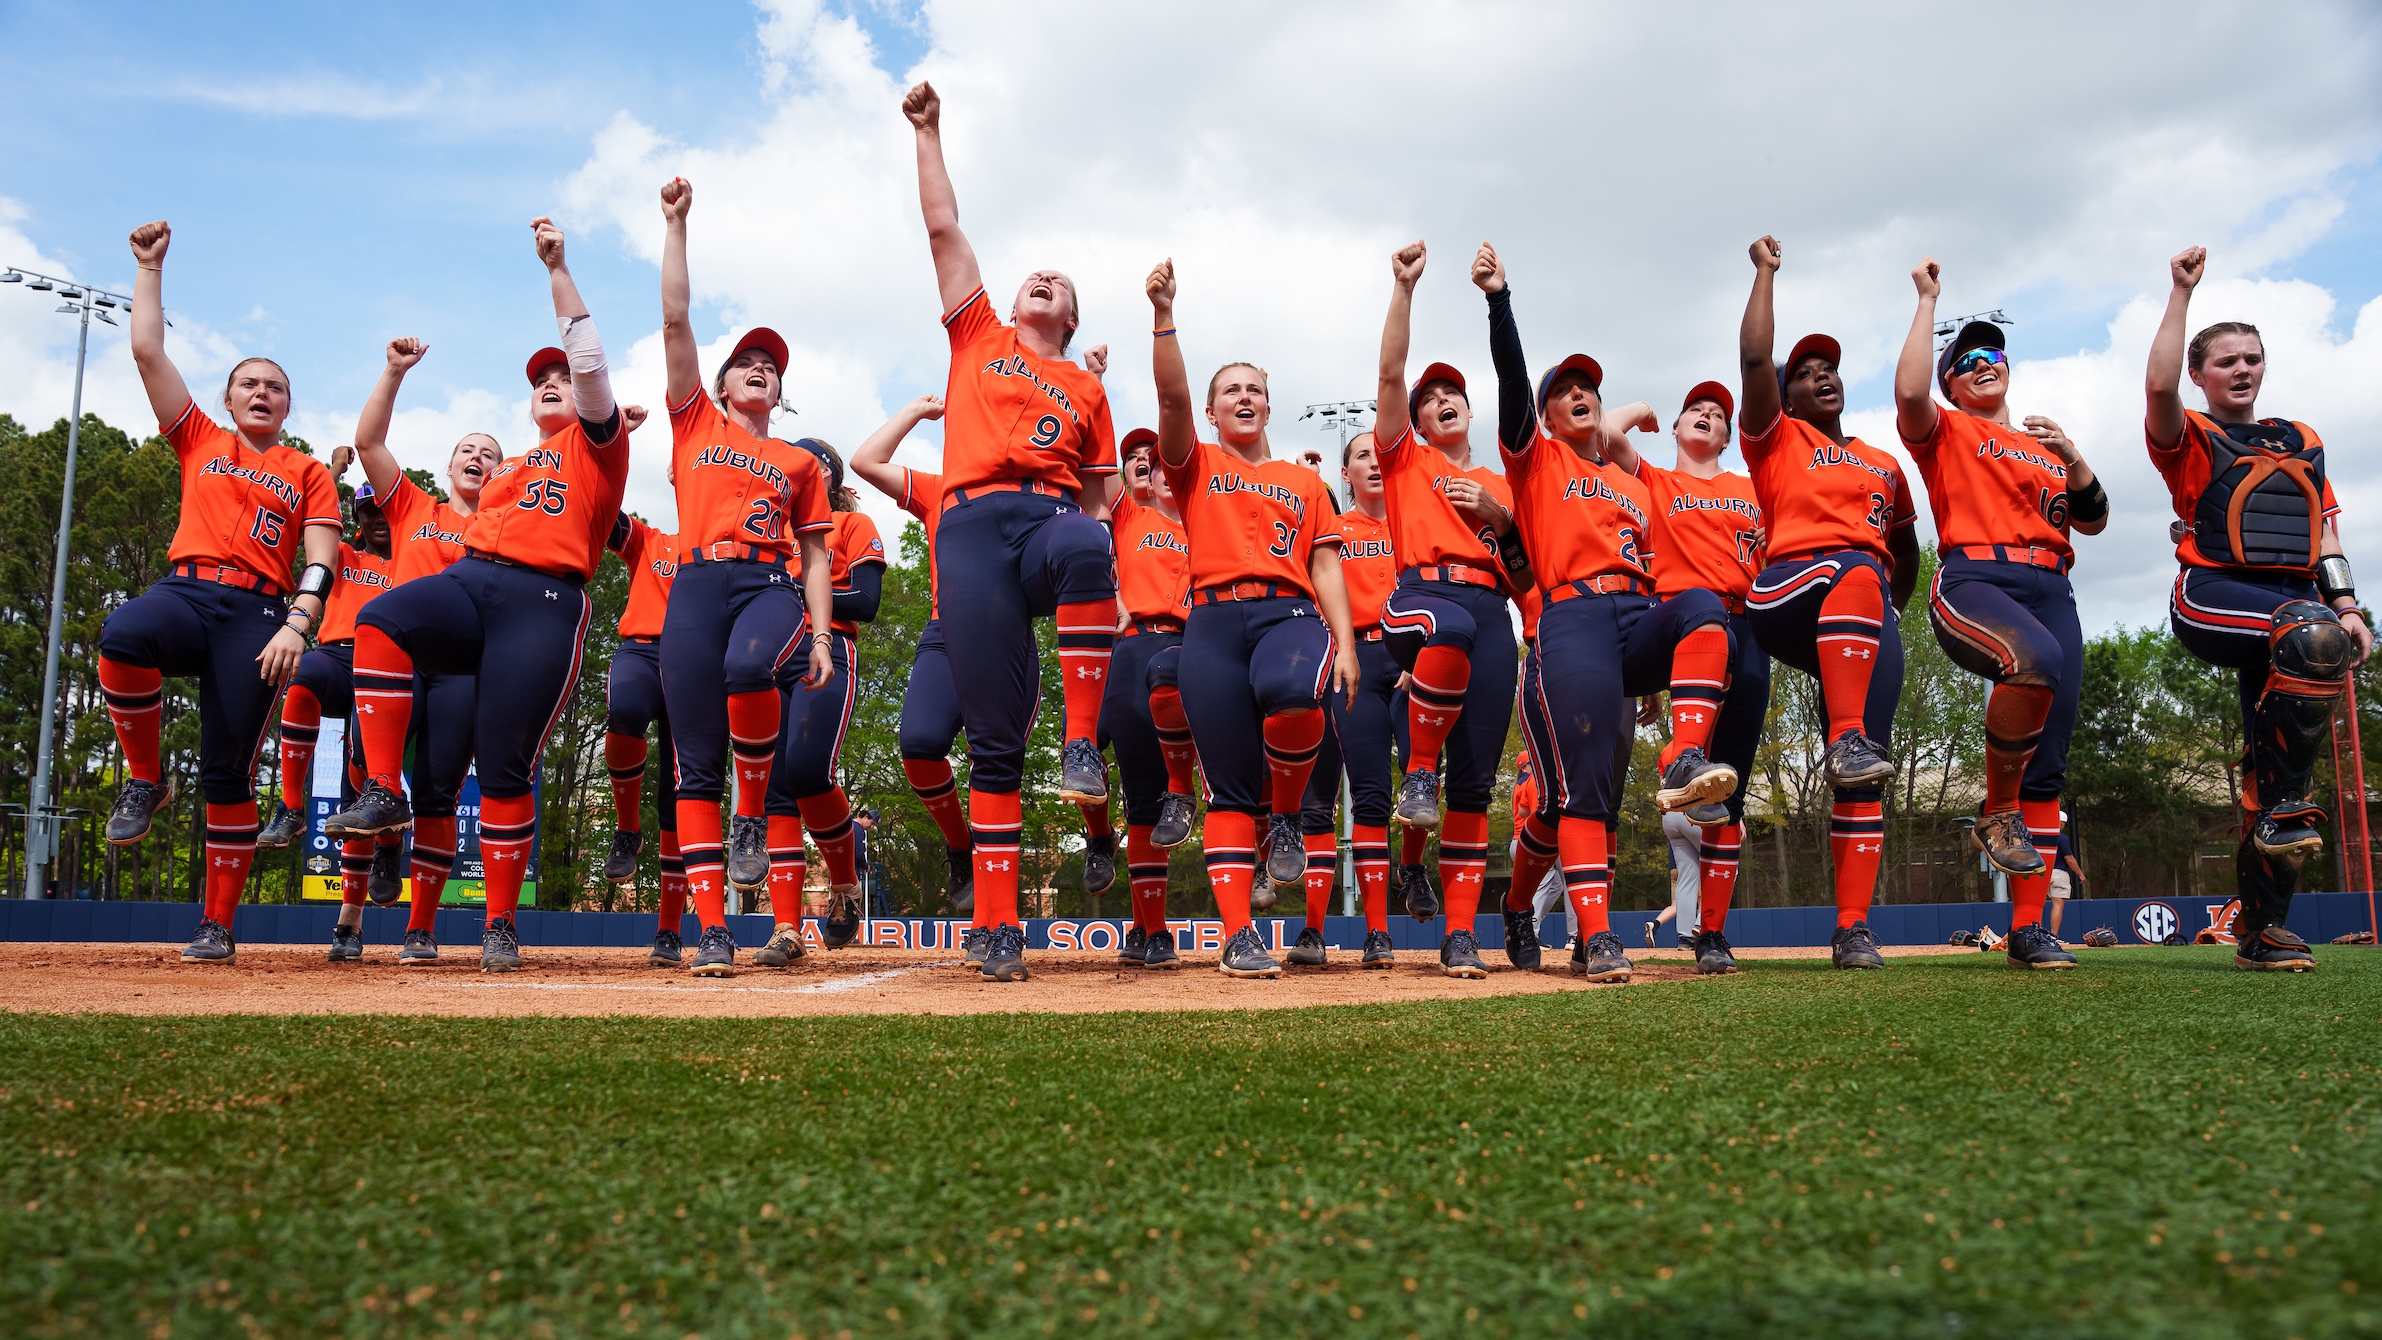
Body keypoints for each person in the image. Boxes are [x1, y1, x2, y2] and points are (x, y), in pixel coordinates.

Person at [323, 216, 635, 976]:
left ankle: (498, 925)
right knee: (383, 619)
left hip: (545, 599)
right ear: (528, 406)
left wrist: (557, 269)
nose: (553, 384)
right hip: (474, 579)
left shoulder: (600, 448)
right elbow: (371, 462)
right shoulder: (503, 471)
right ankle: (385, 791)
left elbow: (589, 360)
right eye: (540, 383)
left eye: (560, 378)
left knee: (502, 767)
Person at [905, 81, 1121, 984]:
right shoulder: (978, 335)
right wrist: (928, 130)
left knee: (1084, 541)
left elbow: (1104, 493)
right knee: (991, 739)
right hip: (965, 532)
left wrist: (1089, 531)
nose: (1044, 278)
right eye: (1039, 273)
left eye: (1061, 284)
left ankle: (1080, 742)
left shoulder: (1086, 389)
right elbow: (946, 231)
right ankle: (996, 928)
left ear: (1070, 320)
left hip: (1044, 522)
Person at [1479, 241, 1736, 984]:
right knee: (1571, 798)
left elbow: (1658, 574)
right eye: (1567, 389)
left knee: (1699, 606)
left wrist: (1657, 674)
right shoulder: (1537, 461)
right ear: (1548, 414)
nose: (1580, 392)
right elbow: (1511, 378)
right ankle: (1582, 932)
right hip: (1570, 624)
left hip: (1633, 618)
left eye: (1591, 385)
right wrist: (1501, 301)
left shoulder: (1628, 484)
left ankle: (1685, 753)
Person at [103, 220, 342, 963]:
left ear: (288, 405)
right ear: (229, 397)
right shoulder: (201, 439)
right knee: (123, 636)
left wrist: (297, 625)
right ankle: (145, 780)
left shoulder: (308, 471)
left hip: (260, 615)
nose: (261, 392)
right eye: (249, 383)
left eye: (275, 386)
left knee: (227, 770)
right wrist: (149, 269)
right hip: (188, 592)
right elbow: (147, 351)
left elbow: (321, 557)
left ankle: (217, 925)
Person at [2147, 245, 2371, 972]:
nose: (2242, 369)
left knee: (2278, 778)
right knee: (2310, 638)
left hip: (2295, 604)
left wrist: (2348, 604)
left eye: (2253, 358)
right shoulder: (2190, 436)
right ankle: (2276, 817)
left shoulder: (2302, 438)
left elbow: (2324, 527)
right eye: (2226, 361)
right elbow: (2154, 390)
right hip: (2214, 595)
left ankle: (2264, 931)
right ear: (2201, 374)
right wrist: (2180, 294)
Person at [1146, 260, 1359, 978]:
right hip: (1209, 622)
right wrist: (1164, 314)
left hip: (1289, 612)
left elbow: (1328, 564)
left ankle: (1292, 817)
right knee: (1230, 788)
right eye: (1231, 389)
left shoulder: (1304, 482)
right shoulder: (1195, 463)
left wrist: (1349, 645)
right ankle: (1240, 935)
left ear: (1269, 407)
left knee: (1296, 696)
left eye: (1256, 390)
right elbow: (1169, 396)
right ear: (1212, 412)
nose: (1245, 396)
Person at [1895, 259, 2105, 971]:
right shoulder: (1947, 429)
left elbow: (2097, 518)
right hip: (1976, 577)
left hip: (2055, 589)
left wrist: (2073, 460)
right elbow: (1907, 391)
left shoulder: (2045, 449)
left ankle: (2027, 931)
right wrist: (1928, 302)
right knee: (2033, 662)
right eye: (1968, 360)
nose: (1985, 364)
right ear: (1952, 382)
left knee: (2050, 769)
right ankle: (1996, 808)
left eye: (1995, 355)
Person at [655, 177, 836, 977]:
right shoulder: (694, 419)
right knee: (694, 764)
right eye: (748, 363)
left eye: (772, 367)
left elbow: (819, 555)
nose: (760, 369)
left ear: (778, 392)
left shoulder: (798, 462)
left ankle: (754, 812)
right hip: (694, 587)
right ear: (722, 385)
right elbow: (674, 319)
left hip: (767, 586)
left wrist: (824, 636)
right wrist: (676, 225)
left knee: (746, 665)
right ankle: (715, 933)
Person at [1738, 236, 1924, 970]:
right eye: (1806, 373)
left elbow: (1905, 552)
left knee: (1866, 771)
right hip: (1787, 589)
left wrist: (1893, 610)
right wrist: (1765, 274)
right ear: (1784, 398)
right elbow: (1755, 359)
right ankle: (1845, 736)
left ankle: (1852, 930)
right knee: (1853, 570)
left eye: (1831, 370)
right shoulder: (1775, 440)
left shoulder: (1883, 461)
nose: (1823, 378)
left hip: (1861, 606)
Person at [1371, 241, 1532, 972]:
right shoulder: (1406, 456)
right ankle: (1416, 775)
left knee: (1475, 781)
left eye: (1452, 395)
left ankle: (1459, 933)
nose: (1440, 400)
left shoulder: (1503, 480)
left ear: (1470, 411)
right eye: (1430, 397)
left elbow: (1531, 571)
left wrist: (1499, 515)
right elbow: (1391, 373)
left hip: (1489, 613)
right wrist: (1404, 290)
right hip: (1422, 598)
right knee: (1451, 627)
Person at [1593, 382, 1771, 975]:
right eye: (1696, 408)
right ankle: (1684, 755)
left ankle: (1712, 936)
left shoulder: (1749, 489)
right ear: (1675, 427)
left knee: (1731, 792)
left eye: (1718, 414)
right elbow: (1603, 434)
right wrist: (1642, 410)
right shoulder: (1655, 480)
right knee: (1696, 604)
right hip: (1682, 623)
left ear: (1728, 435)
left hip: (1744, 625)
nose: (1707, 416)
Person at [261, 444, 401, 961]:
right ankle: (292, 807)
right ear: (357, 519)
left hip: (385, 669)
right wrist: (334, 471)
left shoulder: (414, 559)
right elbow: (309, 515)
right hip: (339, 656)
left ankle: (350, 921)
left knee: (360, 786)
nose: (378, 521)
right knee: (300, 677)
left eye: (385, 511)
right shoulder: (345, 556)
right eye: (368, 513)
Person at [754, 438, 884, 966]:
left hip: (826, 647)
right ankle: (786, 928)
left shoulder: (850, 526)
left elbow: (868, 600)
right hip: (769, 652)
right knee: (776, 792)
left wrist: (798, 594)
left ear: (829, 477)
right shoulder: (768, 533)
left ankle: (845, 884)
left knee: (808, 771)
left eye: (814, 465)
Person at [1288, 431, 1402, 969]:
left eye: (1381, 454)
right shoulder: (1332, 531)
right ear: (1346, 472)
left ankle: (1378, 932)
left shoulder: (1412, 524)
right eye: (1362, 456)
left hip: (1394, 663)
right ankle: (1313, 930)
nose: (1374, 463)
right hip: (1336, 657)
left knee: (1379, 796)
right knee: (1317, 800)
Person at [1106, 428, 1192, 971]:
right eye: (1136, 459)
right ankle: (1151, 930)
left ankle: (1148, 927)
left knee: (1174, 790)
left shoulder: (1207, 524)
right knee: (1140, 793)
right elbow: (1094, 464)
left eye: (1155, 458)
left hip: (1188, 649)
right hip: (1132, 648)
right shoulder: (1129, 519)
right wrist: (1083, 374)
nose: (1146, 465)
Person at [604, 509, 687, 965]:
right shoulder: (650, 539)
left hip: (695, 660)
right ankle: (627, 829)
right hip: (641, 648)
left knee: (678, 795)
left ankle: (669, 932)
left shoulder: (727, 550)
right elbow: (605, 512)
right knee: (626, 710)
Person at [2044, 817, 2086, 940]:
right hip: (2058, 873)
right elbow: (2069, 859)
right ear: (2061, 823)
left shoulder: (2042, 836)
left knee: (2037, 905)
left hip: (2043, 873)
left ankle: (2034, 935)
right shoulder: (2061, 837)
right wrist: (2080, 874)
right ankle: (2053, 936)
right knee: (2057, 906)